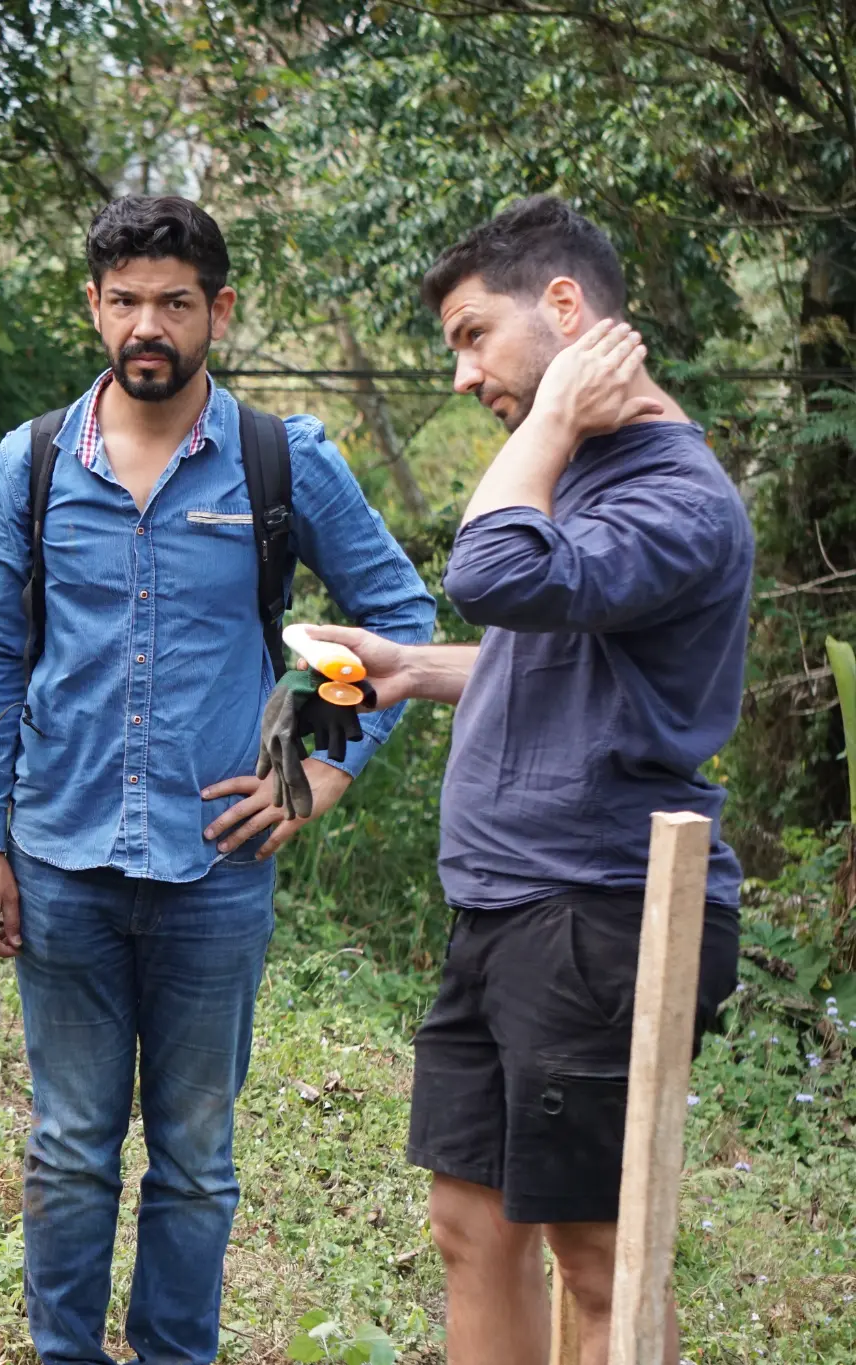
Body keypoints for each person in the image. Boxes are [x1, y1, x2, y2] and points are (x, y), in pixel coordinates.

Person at [0, 194, 436, 1364]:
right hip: (59, 856)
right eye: (124, 302)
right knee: (69, 1147)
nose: (146, 326)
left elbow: (397, 616)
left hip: (215, 867)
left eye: (173, 303)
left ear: (217, 312)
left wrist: (323, 767)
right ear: (92, 307)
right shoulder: (31, 461)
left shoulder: (280, 460)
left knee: (195, 1159)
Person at [303, 196, 749, 1365]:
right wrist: (413, 670)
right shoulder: (591, 482)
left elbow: (489, 570)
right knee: (470, 1226)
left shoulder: (675, 497)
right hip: (508, 907)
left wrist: (548, 417)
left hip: (599, 910)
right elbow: (563, 651)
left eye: (471, 336)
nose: (462, 375)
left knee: (597, 1256)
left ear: (563, 306)